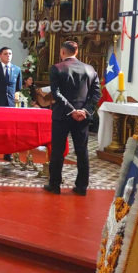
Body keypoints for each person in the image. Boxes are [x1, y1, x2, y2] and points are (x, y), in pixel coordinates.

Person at [44, 41, 100, 196]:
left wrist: (71, 110)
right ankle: (82, 187)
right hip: (82, 117)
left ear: (62, 52)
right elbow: (96, 94)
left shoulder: (57, 68)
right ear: (77, 52)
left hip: (62, 115)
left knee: (58, 150)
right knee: (82, 151)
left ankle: (55, 185)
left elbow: (56, 93)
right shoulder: (90, 69)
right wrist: (84, 111)